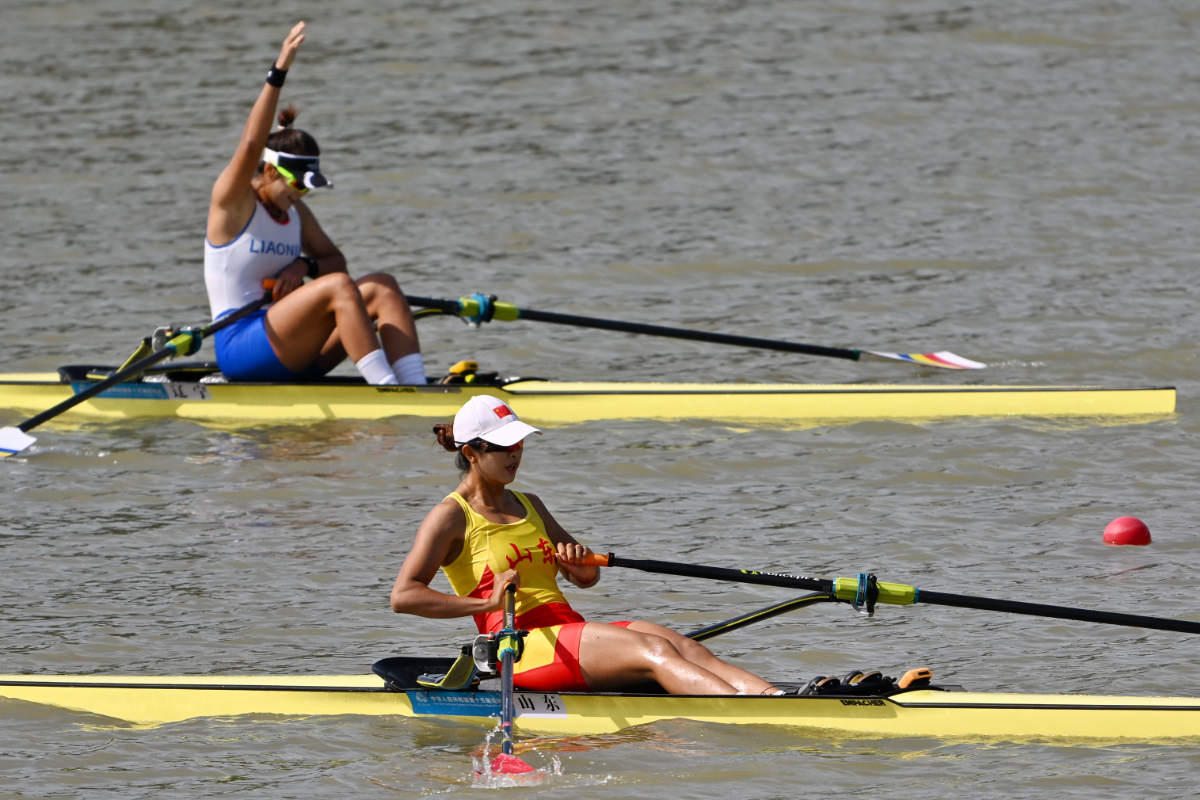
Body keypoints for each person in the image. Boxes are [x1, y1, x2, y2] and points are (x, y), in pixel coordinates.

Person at [390, 395, 781, 695]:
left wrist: (578, 567)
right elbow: (404, 596)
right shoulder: (450, 516)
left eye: (520, 443)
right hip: (518, 646)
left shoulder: (529, 503)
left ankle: (773, 696)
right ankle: (748, 713)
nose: (516, 453)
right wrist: (487, 604)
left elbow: (588, 575)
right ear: (471, 453)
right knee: (655, 652)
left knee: (676, 643)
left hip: (566, 631)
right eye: (504, 446)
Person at [204, 21, 427, 386]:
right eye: (298, 186)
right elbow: (249, 144)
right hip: (241, 347)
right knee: (339, 286)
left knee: (382, 287)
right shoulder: (233, 203)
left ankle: (416, 388)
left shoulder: (295, 212)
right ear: (273, 172)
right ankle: (388, 392)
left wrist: (302, 265)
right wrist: (280, 70)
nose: (302, 195)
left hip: (293, 347)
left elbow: (334, 259)